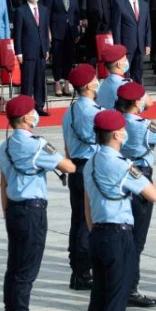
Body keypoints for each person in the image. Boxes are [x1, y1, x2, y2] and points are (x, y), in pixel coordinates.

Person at [0, 94, 76, 311]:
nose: (35, 115)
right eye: (32, 111)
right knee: (25, 274)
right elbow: (68, 167)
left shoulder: (6, 145)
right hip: (32, 212)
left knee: (14, 271)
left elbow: (4, 182)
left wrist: (7, 211)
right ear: (25, 118)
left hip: (15, 209)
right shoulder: (36, 145)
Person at [85, 108, 156, 311]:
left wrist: (94, 230)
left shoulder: (91, 161)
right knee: (116, 300)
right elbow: (153, 194)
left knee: (99, 296)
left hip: (97, 232)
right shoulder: (122, 165)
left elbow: (87, 202)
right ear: (117, 135)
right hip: (118, 235)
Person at [114, 81, 156, 308]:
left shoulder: (115, 120)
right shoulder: (143, 125)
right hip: (140, 177)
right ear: (137, 102)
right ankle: (131, 287)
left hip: (119, 174)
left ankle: (120, 283)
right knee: (137, 237)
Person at [62, 64, 99, 291]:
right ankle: (84, 272)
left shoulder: (70, 111)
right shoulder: (93, 112)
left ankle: (78, 269)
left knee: (78, 220)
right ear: (87, 86)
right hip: (88, 166)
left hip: (75, 166)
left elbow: (67, 144)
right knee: (87, 221)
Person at [13, 0, 50, 115]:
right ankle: (26, 107)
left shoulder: (44, 10)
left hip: (41, 50)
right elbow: (17, 33)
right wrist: (18, 52)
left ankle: (39, 106)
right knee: (27, 81)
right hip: (27, 51)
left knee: (40, 79)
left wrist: (47, 48)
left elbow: (45, 30)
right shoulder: (21, 11)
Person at [110, 0, 150, 83]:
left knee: (138, 72)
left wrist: (148, 43)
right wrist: (118, 47)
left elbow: (147, 26)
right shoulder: (120, 4)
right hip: (126, 45)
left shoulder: (144, 5)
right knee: (125, 72)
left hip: (140, 45)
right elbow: (116, 27)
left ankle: (137, 93)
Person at [48, 0, 80, 97]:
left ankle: (67, 83)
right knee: (57, 58)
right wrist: (48, 31)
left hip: (70, 31)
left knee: (69, 58)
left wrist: (76, 29)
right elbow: (48, 13)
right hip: (57, 30)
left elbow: (76, 13)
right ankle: (57, 82)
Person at [96, 44, 129, 110]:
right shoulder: (125, 84)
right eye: (125, 59)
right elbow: (147, 102)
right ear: (119, 65)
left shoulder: (102, 84)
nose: (127, 62)